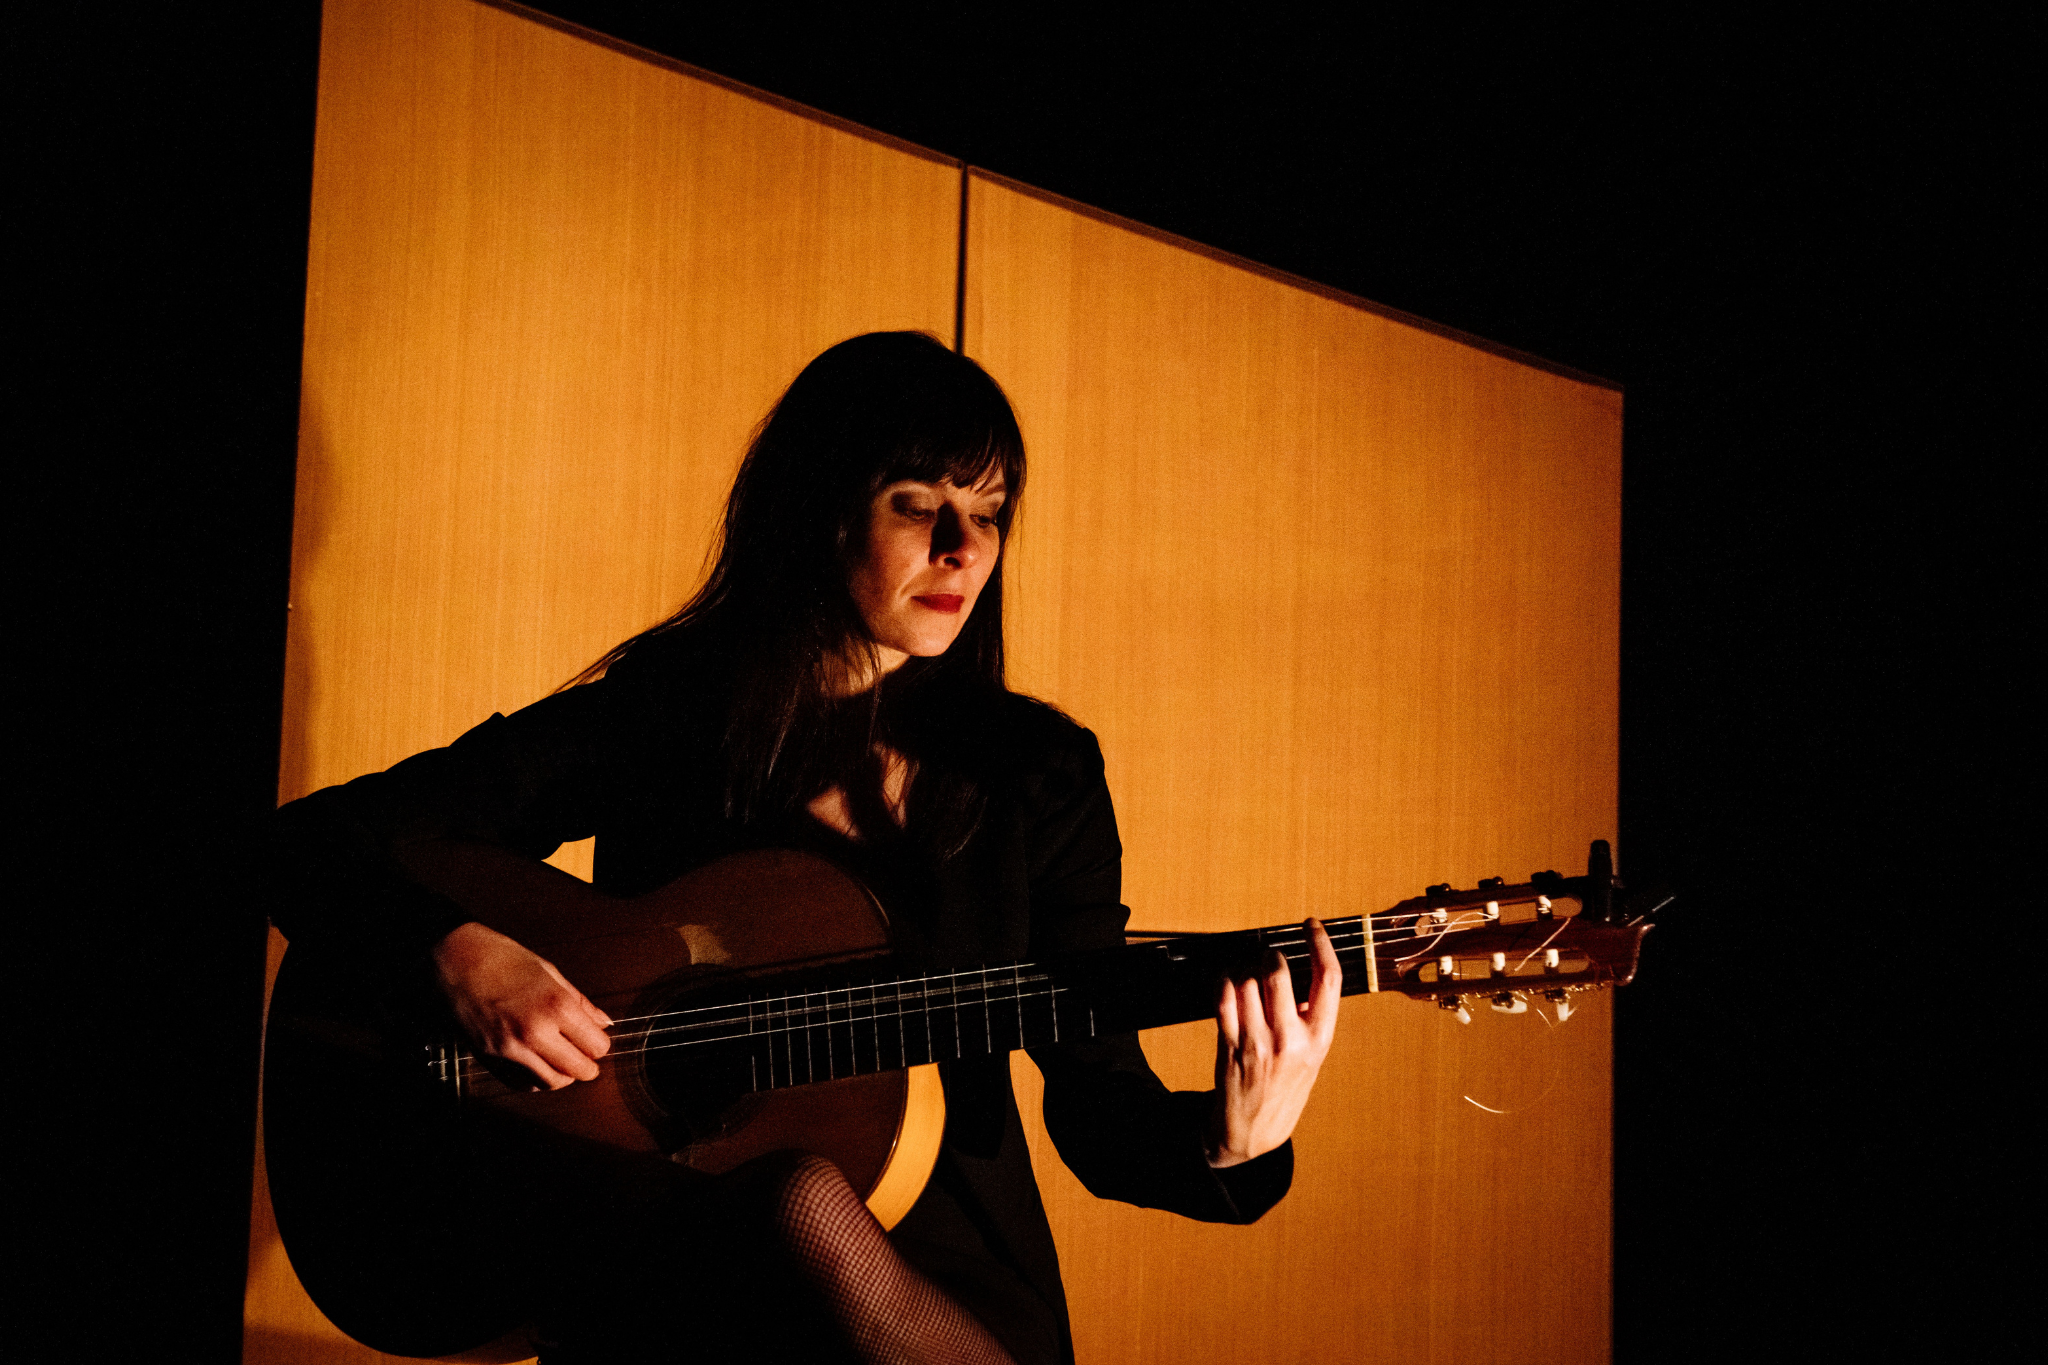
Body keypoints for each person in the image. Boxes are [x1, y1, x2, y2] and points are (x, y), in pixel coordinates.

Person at [266, 331, 1341, 1365]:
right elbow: (306, 845)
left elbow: (1095, 1103)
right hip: (662, 1248)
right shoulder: (666, 715)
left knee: (809, 1204)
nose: (961, 550)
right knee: (789, 1195)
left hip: (938, 1270)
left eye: (988, 515)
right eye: (917, 507)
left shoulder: (1036, 774)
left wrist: (1231, 1141)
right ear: (823, 512)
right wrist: (458, 953)